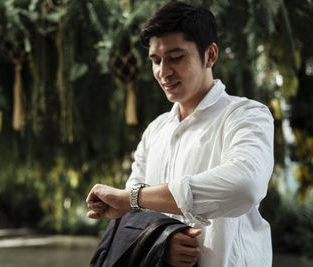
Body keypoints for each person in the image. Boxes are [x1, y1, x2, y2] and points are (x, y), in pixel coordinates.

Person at [86, 1, 274, 267]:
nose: (163, 72)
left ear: (210, 55)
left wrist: (133, 198)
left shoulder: (246, 115)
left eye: (175, 57)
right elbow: (135, 216)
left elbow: (244, 186)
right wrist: (162, 241)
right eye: (155, 60)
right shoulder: (156, 130)